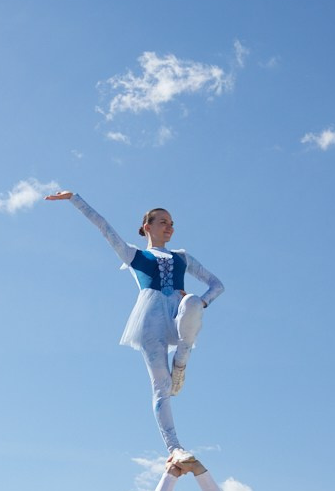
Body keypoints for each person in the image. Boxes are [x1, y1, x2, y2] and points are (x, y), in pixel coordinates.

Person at [46, 190, 223, 454]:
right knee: (161, 386)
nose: (169, 227)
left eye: (172, 223)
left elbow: (217, 285)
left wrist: (205, 301)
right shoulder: (134, 255)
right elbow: (104, 227)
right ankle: (174, 447)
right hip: (150, 320)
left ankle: (182, 360)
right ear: (147, 227)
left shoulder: (182, 257)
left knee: (194, 302)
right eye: (163, 222)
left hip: (178, 315)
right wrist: (75, 198)